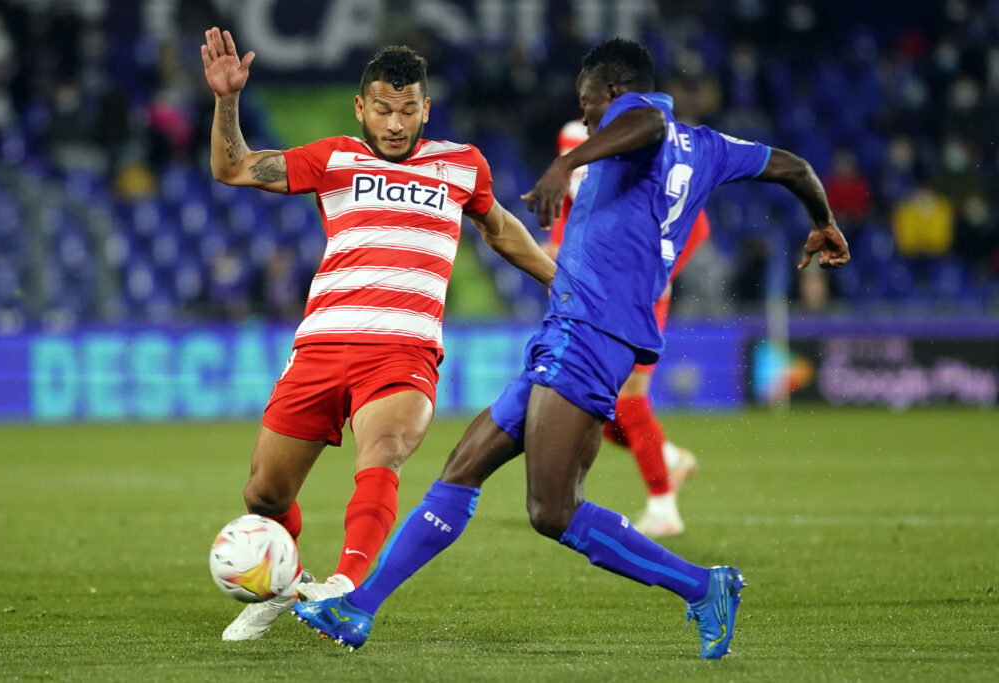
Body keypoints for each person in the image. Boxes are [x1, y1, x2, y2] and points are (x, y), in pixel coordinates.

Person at [294, 38, 849, 658]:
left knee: (552, 510)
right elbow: (794, 167)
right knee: (463, 468)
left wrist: (567, 164)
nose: (584, 118)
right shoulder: (713, 147)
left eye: (588, 106)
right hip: (575, 327)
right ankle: (357, 609)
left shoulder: (636, 119)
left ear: (611, 95)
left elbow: (647, 122)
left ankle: (702, 585)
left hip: (594, 333)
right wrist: (822, 220)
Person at [200, 27, 556, 640]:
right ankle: (288, 584)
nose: (396, 123)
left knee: (384, 452)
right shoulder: (334, 157)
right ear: (361, 108)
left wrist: (564, 282)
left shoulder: (462, 165)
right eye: (384, 110)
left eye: (409, 109)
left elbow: (498, 229)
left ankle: (343, 590)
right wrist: (227, 99)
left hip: (402, 348)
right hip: (320, 345)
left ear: (426, 107)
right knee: (263, 493)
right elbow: (232, 167)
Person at [549, 119, 705, 537]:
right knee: (592, 406)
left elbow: (698, 224)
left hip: (642, 294)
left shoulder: (640, 155)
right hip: (596, 297)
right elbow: (569, 223)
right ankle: (666, 456)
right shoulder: (571, 149)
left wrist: (661, 270)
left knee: (631, 397)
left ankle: (663, 506)